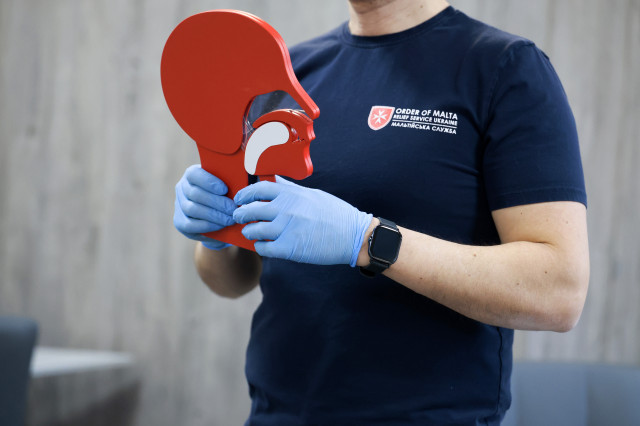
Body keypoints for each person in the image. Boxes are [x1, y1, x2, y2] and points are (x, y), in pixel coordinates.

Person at [173, 0, 590, 424]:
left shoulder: (504, 68)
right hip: (275, 414)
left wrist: (367, 240)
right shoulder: (292, 73)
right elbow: (233, 281)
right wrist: (217, 236)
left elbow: (559, 292)